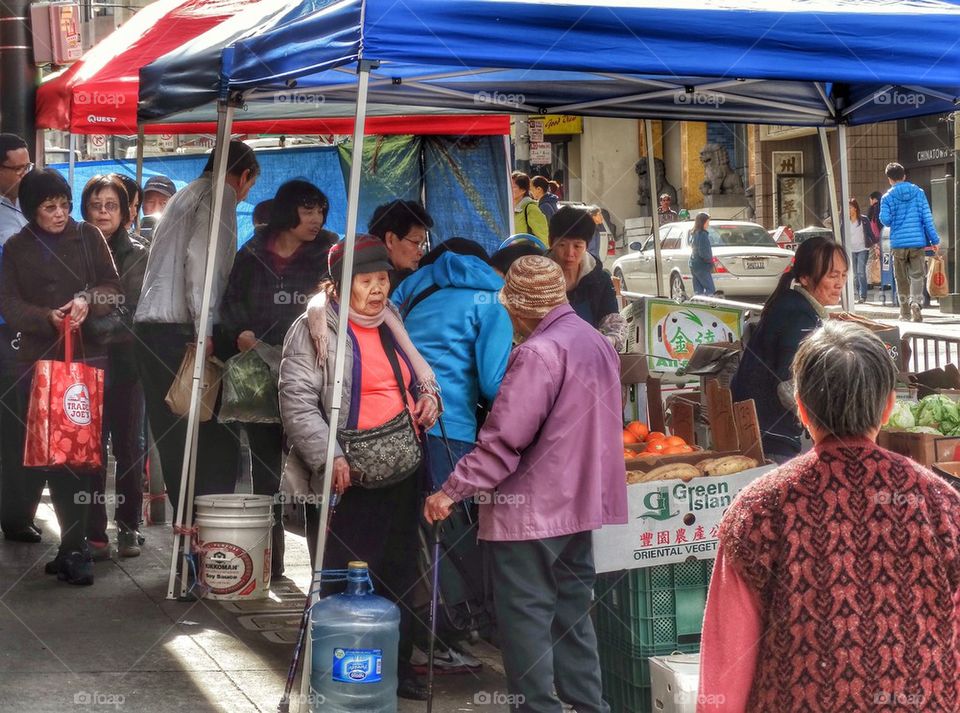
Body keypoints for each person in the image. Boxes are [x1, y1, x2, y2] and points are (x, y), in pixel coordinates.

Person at [699, 321, 960, 712]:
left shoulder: (758, 510)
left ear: (801, 408)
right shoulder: (941, 505)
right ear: (889, 406)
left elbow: (726, 665)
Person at [424, 255, 627, 713]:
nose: (508, 316)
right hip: (579, 507)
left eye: (511, 308)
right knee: (572, 615)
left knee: (526, 622)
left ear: (522, 308)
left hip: (532, 513)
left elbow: (504, 442)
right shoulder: (595, 342)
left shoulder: (538, 352)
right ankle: (588, 706)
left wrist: (451, 489)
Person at [279, 235, 440, 701]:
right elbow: (297, 403)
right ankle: (342, 669)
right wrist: (329, 456)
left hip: (403, 467)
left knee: (399, 569)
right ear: (339, 285)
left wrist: (429, 398)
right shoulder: (314, 330)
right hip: (350, 477)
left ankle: (396, 668)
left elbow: (417, 378)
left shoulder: (392, 323)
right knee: (347, 572)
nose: (377, 289)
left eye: (383, 279)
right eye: (366, 281)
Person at [0, 169, 121, 584]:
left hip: (87, 363)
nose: (59, 213)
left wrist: (88, 299)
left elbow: (113, 287)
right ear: (31, 210)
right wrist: (44, 317)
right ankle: (71, 546)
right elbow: (9, 303)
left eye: (64, 205)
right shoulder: (16, 247)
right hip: (37, 364)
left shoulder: (88, 236)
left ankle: (77, 547)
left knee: (83, 453)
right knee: (51, 454)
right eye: (49, 207)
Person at [216, 180, 334, 579]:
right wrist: (239, 334)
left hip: (312, 375)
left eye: (320, 209)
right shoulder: (252, 251)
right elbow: (229, 303)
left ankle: (325, 567)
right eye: (307, 209)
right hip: (257, 374)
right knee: (265, 469)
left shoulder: (329, 253)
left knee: (316, 464)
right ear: (287, 212)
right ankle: (271, 562)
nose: (316, 219)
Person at [134, 140, 259, 516]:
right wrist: (205, 330)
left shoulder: (185, 193)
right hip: (181, 332)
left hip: (152, 330)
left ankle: (188, 529)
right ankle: (206, 531)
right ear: (246, 176)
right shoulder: (219, 192)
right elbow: (203, 266)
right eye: (249, 187)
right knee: (209, 438)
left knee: (175, 440)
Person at [730, 236, 848, 463]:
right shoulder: (799, 316)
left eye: (843, 275)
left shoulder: (792, 304)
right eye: (832, 275)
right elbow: (788, 387)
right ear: (804, 278)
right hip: (771, 436)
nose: (839, 283)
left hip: (758, 427)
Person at [80, 175, 149, 559]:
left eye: (111, 205)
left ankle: (128, 526)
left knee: (129, 448)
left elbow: (132, 311)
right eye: (96, 204)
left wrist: (86, 320)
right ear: (85, 209)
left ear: (125, 212)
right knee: (89, 449)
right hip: (84, 367)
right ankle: (94, 532)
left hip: (127, 365)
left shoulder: (138, 252)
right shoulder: (74, 248)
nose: (103, 212)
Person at [0, 134, 35, 541]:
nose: (25, 175)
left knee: (17, 427)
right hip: (6, 330)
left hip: (21, 333)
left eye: (29, 167)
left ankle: (15, 515)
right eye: (18, 168)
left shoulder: (19, 207)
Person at [548, 205, 626, 351]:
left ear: (587, 246)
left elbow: (613, 325)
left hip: (588, 356)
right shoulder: (536, 277)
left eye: (577, 246)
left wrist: (604, 341)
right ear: (550, 243)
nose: (569, 253)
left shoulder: (599, 280)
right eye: (562, 245)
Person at [880, 162, 940, 322]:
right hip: (917, 242)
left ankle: (905, 313)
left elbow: (885, 220)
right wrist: (935, 240)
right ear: (904, 175)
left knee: (901, 279)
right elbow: (927, 218)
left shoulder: (887, 197)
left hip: (898, 243)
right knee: (917, 276)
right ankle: (916, 302)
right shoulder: (919, 193)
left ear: (889, 179)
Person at [368, 199, 434, 293]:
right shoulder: (397, 285)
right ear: (390, 240)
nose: (421, 252)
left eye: (422, 245)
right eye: (416, 242)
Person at [848, 198, 878, 304]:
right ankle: (857, 293)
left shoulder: (864, 220)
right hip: (850, 250)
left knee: (861, 272)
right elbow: (828, 222)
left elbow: (870, 233)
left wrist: (876, 245)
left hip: (862, 249)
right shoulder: (844, 221)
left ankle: (863, 296)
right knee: (855, 274)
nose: (848, 209)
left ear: (855, 208)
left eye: (850, 207)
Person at [511, 171, 548, 243]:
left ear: (523, 190)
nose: (509, 189)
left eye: (513, 187)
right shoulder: (509, 208)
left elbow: (543, 238)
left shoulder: (530, 208)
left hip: (527, 252)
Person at [688, 211, 715, 296]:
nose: (708, 224)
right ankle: (708, 306)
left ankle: (698, 305)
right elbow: (704, 252)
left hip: (694, 264)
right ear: (703, 222)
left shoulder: (694, 233)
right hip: (702, 265)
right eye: (707, 222)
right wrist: (710, 262)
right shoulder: (703, 234)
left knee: (698, 290)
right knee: (710, 289)